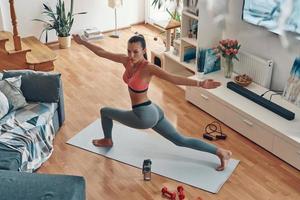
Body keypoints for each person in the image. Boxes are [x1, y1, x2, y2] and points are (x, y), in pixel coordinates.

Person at [72, 34, 232, 171]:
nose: (131, 55)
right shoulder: (125, 61)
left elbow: (172, 78)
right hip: (152, 109)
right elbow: (102, 52)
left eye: (136, 52)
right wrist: (83, 42)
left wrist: (200, 84)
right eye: (129, 51)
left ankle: (108, 140)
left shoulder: (148, 68)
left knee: (105, 112)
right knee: (179, 140)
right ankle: (220, 152)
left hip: (143, 116)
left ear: (143, 51)